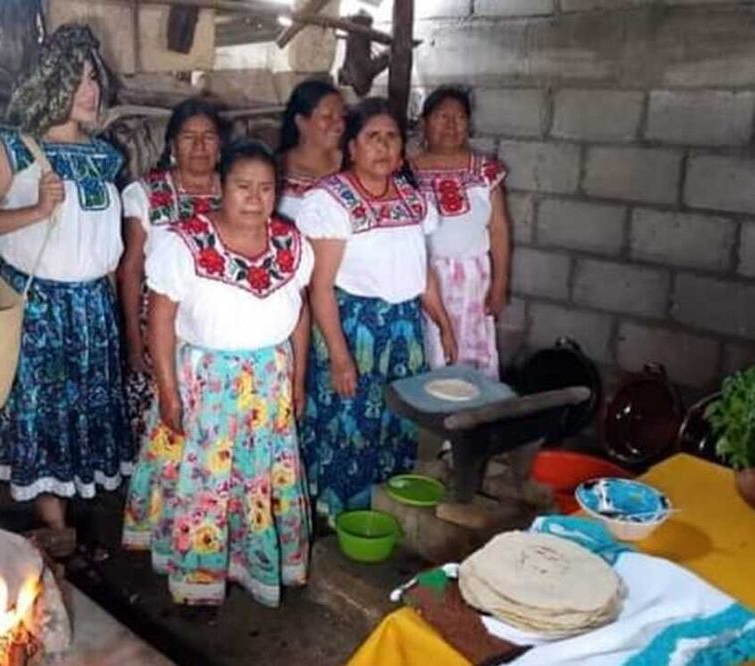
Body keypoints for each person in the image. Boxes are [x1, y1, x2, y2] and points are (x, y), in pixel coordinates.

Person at [0, 25, 132, 535]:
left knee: (81, 412)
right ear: (51, 83)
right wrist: (36, 210)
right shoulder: (11, 148)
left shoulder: (105, 156)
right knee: (45, 415)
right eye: (79, 79)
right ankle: (54, 530)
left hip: (92, 308)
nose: (92, 90)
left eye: (94, 79)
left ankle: (70, 526)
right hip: (39, 308)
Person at [131, 138, 313, 608]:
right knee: (206, 483)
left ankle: (251, 568)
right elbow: (161, 319)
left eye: (266, 188)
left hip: (269, 385)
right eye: (243, 187)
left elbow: (301, 312)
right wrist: (168, 393)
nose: (255, 199)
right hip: (205, 386)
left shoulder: (292, 244)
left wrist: (298, 380)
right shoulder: (183, 242)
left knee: (257, 481)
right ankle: (197, 582)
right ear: (220, 186)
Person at [297, 97, 457, 521]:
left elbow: (421, 271)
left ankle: (385, 512)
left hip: (404, 328)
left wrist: (442, 322)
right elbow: (322, 288)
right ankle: (338, 516)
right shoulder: (330, 201)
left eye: (392, 138)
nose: (383, 147)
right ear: (351, 147)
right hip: (353, 327)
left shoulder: (412, 199)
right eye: (373, 137)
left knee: (399, 422)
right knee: (350, 425)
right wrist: (339, 355)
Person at [117, 98, 225, 459]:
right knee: (163, 427)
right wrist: (135, 337)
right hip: (161, 326)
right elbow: (131, 268)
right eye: (188, 137)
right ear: (172, 145)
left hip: (218, 330)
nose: (199, 146)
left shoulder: (237, 192)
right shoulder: (146, 194)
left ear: (220, 144)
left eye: (208, 137)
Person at [411, 86, 512, 377]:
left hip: (473, 280)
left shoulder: (485, 171)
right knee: (430, 353)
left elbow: (500, 228)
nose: (451, 125)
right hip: (424, 278)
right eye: (443, 117)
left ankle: (471, 418)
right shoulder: (406, 171)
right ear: (425, 123)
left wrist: (500, 283)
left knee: (472, 357)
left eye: (459, 117)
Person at [276, 79, 345, 222]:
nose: (339, 125)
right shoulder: (276, 169)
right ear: (301, 122)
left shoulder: (351, 165)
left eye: (341, 116)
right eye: (327, 117)